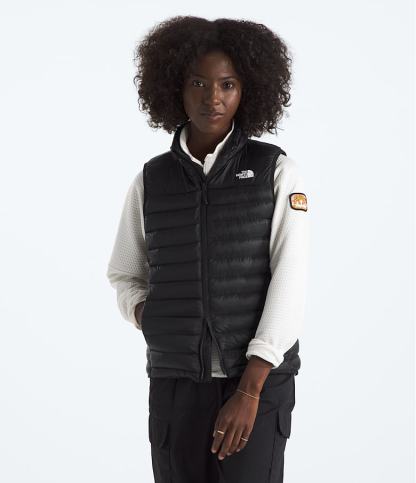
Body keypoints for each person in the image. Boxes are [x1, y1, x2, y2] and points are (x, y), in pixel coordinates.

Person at [107, 15, 310, 483]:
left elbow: (290, 279)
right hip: (175, 385)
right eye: (198, 83)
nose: (212, 97)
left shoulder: (275, 171)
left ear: (247, 90)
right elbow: (125, 272)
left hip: (256, 381)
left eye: (227, 84)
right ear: (175, 88)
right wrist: (151, 317)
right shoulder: (152, 179)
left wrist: (251, 389)